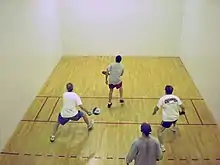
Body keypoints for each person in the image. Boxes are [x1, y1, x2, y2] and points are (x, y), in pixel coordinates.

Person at [152, 85, 185, 152]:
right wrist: (182, 112)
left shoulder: (162, 99)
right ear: (172, 91)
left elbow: (157, 108)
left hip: (167, 119)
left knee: (159, 131)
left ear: (165, 91)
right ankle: (174, 127)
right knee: (175, 118)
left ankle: (162, 146)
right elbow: (183, 107)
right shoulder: (176, 97)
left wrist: (154, 112)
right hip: (176, 116)